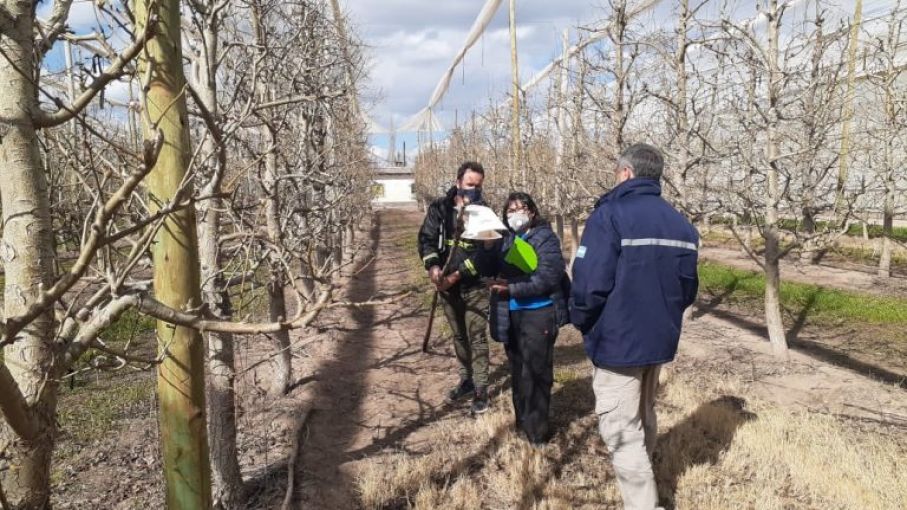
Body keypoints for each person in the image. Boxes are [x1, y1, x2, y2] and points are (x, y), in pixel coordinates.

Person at [570, 143, 699, 510]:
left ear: (625, 173)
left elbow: (589, 283)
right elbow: (688, 289)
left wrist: (580, 319)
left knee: (621, 429)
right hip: (657, 341)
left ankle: (643, 504)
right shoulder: (681, 225)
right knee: (643, 415)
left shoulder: (609, 216)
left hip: (618, 343)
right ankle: (642, 483)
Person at [486, 192, 570, 444]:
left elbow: (549, 275)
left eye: (521, 209)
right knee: (518, 370)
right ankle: (522, 422)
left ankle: (537, 433)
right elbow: (488, 268)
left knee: (537, 372)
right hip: (510, 313)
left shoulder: (545, 238)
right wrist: (486, 248)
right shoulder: (505, 238)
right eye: (510, 210)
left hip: (538, 313)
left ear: (533, 212)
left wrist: (511, 287)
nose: (516, 214)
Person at [418, 161, 494, 414]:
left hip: (474, 285)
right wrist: (433, 268)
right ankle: (467, 379)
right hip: (446, 287)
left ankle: (482, 388)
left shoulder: (484, 213)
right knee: (459, 335)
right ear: (458, 182)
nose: (474, 190)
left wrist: (459, 275)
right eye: (470, 184)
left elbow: (486, 256)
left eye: (479, 186)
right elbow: (427, 240)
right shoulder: (439, 208)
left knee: (477, 336)